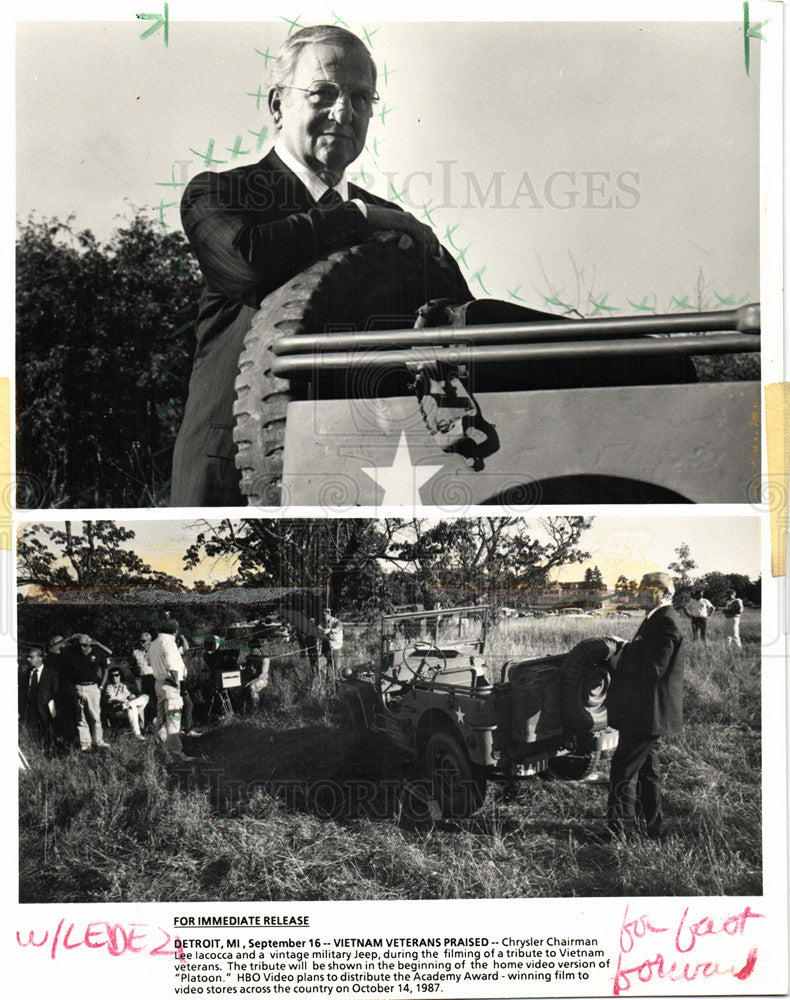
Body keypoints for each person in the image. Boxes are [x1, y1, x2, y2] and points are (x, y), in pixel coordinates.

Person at [171, 24, 453, 506]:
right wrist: (357, 218)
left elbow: (457, 322)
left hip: (361, 474)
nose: (344, 113)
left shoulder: (395, 223)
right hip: (232, 472)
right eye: (323, 92)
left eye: (362, 99)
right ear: (278, 105)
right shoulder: (220, 193)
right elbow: (248, 266)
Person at [605, 571, 685, 840]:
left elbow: (653, 669)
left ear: (660, 593)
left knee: (623, 771)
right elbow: (648, 654)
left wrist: (620, 660)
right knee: (648, 772)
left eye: (643, 591)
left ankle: (620, 832)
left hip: (647, 714)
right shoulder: (657, 618)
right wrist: (628, 647)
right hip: (647, 713)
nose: (638, 595)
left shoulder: (666, 622)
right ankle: (651, 827)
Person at [148, 622, 190, 761]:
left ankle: (161, 751)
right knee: (173, 721)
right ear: (175, 630)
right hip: (171, 684)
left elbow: (148, 661)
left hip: (159, 684)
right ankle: (177, 756)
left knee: (161, 720)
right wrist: (177, 683)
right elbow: (172, 666)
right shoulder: (169, 643)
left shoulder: (154, 643)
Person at [62, 634, 112, 752]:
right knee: (81, 717)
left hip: (92, 687)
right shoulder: (74, 653)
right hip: (78, 687)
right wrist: (69, 637)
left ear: (90, 643)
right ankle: (85, 743)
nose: (82, 647)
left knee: (95, 716)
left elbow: (106, 669)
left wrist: (101, 686)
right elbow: (53, 650)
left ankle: (98, 741)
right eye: (79, 645)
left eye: (85, 645)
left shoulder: (97, 653)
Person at [101, 667, 148, 740]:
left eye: (116, 675)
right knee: (132, 709)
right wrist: (123, 701)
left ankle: (137, 732)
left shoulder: (124, 686)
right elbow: (112, 698)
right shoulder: (109, 687)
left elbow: (129, 696)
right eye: (112, 676)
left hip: (126, 707)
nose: (114, 677)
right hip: (116, 710)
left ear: (120, 676)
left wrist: (132, 698)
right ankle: (137, 734)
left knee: (145, 698)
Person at [132, 631, 157, 729]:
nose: (141, 643)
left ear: (149, 641)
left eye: (143, 641)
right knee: (143, 700)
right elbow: (132, 665)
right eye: (140, 641)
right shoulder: (135, 652)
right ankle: (144, 724)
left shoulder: (155, 651)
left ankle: (154, 721)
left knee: (154, 700)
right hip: (141, 679)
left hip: (153, 678)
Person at [320, 608, 344, 674]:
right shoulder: (323, 622)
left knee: (336, 669)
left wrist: (330, 630)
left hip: (335, 648)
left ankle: (336, 682)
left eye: (324, 614)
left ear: (328, 613)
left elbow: (338, 629)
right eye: (322, 614)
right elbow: (318, 627)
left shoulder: (336, 622)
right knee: (318, 664)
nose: (323, 616)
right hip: (326, 649)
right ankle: (324, 681)